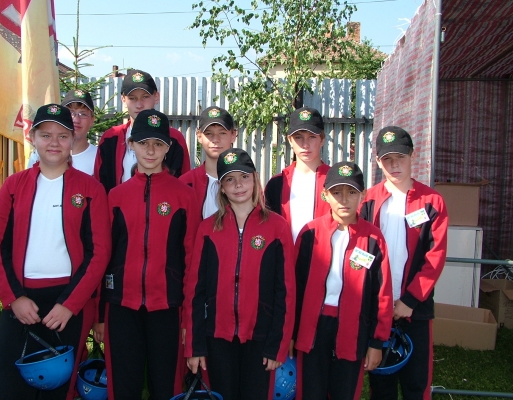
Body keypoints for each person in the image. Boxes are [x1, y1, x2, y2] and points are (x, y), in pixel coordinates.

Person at [0, 104, 111, 400]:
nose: (54, 142)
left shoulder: (91, 189)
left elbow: (99, 252)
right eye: (46, 135)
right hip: (21, 300)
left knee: (59, 390)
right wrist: (13, 298)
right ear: (33, 138)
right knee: (13, 387)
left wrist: (70, 304)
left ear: (72, 139)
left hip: (66, 303)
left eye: (62, 136)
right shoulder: (13, 186)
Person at [94, 109, 199, 400]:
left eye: (158, 144)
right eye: (143, 143)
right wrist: (100, 313)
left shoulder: (185, 196)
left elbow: (192, 259)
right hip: (121, 307)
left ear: (168, 147)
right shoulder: (116, 196)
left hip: (167, 306)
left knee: (165, 386)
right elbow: (103, 258)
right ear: (131, 145)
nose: (150, 150)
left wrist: (189, 318)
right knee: (123, 386)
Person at [183, 148, 296, 400]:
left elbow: (286, 291)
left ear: (254, 179)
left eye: (244, 177)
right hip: (216, 337)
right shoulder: (208, 229)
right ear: (222, 187)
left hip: (261, 338)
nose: (238, 185)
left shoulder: (277, 227)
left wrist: (277, 345)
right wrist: (195, 345)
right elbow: (195, 291)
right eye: (230, 179)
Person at [359, 126, 448, 400]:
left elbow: (435, 256)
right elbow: (360, 249)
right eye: (387, 159)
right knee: (381, 385)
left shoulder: (432, 202)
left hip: (415, 310)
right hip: (379, 309)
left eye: (400, 157)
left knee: (416, 384)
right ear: (378, 162)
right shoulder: (368, 200)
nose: (394, 165)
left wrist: (409, 300)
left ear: (412, 156)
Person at [293, 161, 393, 400]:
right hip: (313, 329)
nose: (344, 200)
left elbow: (382, 294)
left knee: (345, 392)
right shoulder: (310, 233)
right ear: (325, 195)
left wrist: (376, 342)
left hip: (353, 329)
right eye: (337, 192)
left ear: (363, 195)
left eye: (352, 192)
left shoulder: (374, 239)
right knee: (310, 392)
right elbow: (293, 288)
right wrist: (290, 333)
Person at [94, 69, 190, 192]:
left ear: (156, 97)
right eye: (132, 98)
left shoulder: (174, 138)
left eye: (145, 97)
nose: (139, 105)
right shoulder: (110, 138)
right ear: (123, 99)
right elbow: (99, 186)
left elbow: (183, 184)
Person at [265, 107, 330, 242]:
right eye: (298, 137)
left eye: (312, 137)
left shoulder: (335, 181)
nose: (305, 144)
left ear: (322, 139)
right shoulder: (276, 184)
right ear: (290, 140)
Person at [180, 105, 237, 219]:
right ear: (199, 136)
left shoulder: (247, 183)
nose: (215, 140)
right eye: (209, 134)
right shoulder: (185, 183)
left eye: (222, 133)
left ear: (233, 135)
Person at [27, 89, 98, 175]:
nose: (76, 120)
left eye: (83, 114)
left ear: (92, 120)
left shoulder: (99, 156)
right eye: (71, 113)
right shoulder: (40, 155)